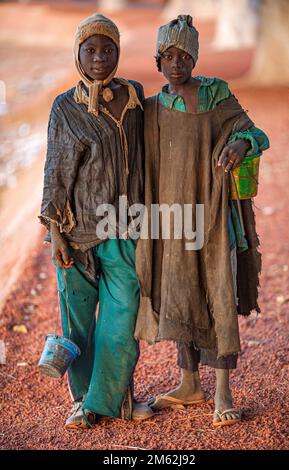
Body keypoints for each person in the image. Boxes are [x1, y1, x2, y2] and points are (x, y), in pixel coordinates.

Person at [135, 15, 270, 428]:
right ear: (158, 62)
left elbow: (257, 134)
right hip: (173, 221)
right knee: (181, 292)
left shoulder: (217, 96)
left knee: (219, 291)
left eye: (185, 55)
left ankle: (223, 392)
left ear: (195, 57)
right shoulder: (154, 108)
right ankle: (189, 383)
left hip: (213, 217)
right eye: (169, 56)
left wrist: (240, 141)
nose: (177, 63)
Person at [39, 13, 152, 429]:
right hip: (77, 234)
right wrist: (55, 234)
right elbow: (56, 173)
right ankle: (85, 402)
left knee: (121, 324)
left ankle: (113, 400)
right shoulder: (65, 108)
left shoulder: (135, 95)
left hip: (125, 230)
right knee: (80, 325)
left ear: (119, 53)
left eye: (108, 49)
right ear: (78, 54)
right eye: (91, 50)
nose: (100, 57)